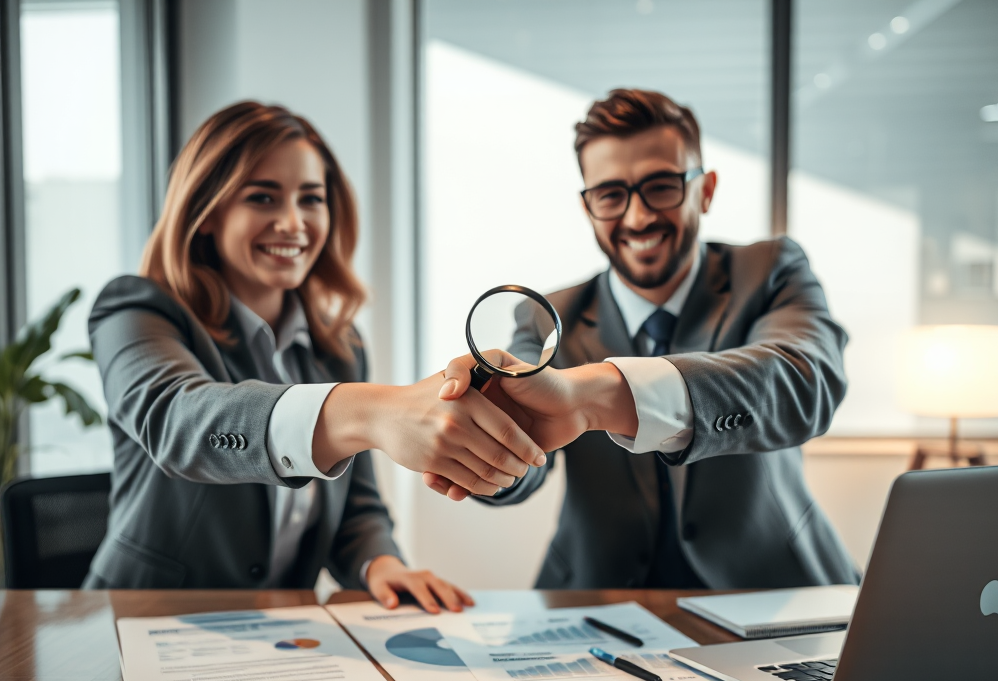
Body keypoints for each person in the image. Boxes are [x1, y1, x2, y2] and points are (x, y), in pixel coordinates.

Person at [84, 101, 546, 611]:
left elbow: (356, 506)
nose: (292, 222)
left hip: (276, 630)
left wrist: (381, 565)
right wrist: (372, 411)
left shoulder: (341, 346)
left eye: (311, 199)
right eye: (263, 197)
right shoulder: (138, 309)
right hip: (137, 620)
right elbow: (177, 421)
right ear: (207, 213)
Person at [426, 89, 859, 590]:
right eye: (611, 195)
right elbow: (523, 433)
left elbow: (806, 378)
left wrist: (594, 394)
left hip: (769, 588)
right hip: (599, 598)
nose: (637, 218)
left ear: (706, 190)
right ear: (588, 207)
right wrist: (486, 447)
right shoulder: (547, 316)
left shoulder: (771, 271)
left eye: (661, 187)